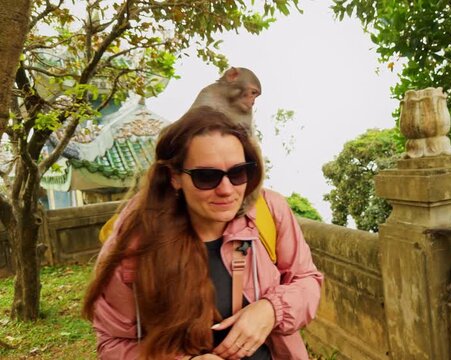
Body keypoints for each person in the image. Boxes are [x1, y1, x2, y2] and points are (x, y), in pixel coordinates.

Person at [83, 106, 324, 360]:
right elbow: (112, 343)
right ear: (175, 177)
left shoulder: (268, 212)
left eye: (238, 172)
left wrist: (271, 309)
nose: (226, 189)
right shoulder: (136, 240)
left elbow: (306, 280)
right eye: (207, 177)